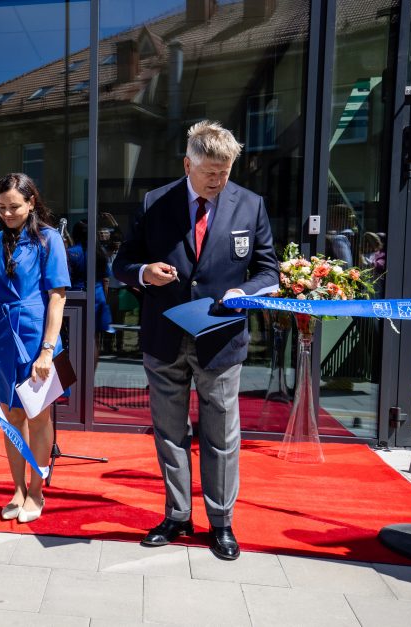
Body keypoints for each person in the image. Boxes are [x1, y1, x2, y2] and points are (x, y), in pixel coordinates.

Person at [112, 120, 278, 560]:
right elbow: (122, 262)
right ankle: (177, 514)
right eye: (209, 173)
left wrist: (247, 292)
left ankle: (221, 522)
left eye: (224, 173)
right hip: (165, 336)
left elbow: (268, 270)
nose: (218, 182)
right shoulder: (154, 202)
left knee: (222, 435)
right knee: (169, 433)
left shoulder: (251, 205)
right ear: (188, 164)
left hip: (221, 337)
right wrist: (143, 273)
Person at [0, 173, 70, 524]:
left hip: (36, 336)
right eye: (1, 207)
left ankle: (37, 489)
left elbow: (58, 298)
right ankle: (16, 488)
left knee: (38, 415)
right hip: (1, 338)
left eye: (14, 206)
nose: (7, 213)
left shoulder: (49, 240)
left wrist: (47, 351)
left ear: (31, 201)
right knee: (10, 417)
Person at [67, 220, 112, 366]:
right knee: (94, 339)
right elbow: (106, 280)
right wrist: (104, 299)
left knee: (73, 339)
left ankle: (76, 378)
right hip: (98, 296)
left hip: (75, 297)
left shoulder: (71, 253)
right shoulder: (100, 252)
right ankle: (90, 378)